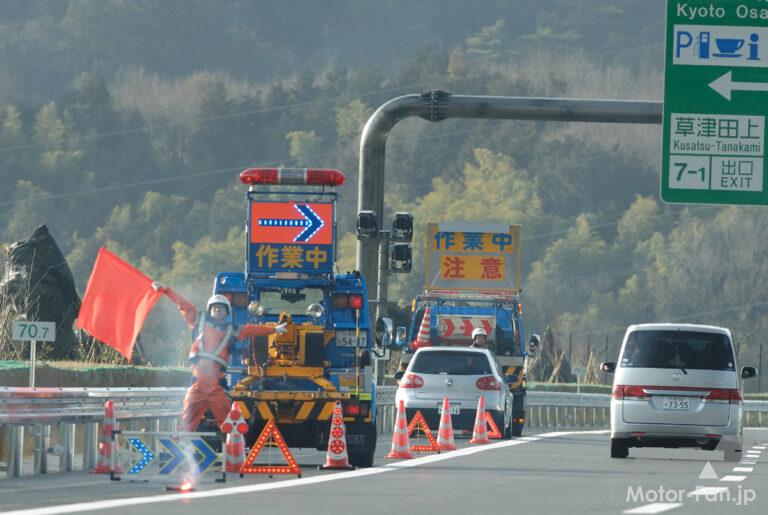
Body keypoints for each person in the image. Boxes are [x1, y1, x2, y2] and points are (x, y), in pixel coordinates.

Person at [151, 282, 287, 431]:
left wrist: (274, 329)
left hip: (215, 386)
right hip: (198, 383)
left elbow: (252, 330)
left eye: (221, 308)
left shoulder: (233, 330)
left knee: (229, 424)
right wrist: (166, 290)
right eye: (215, 308)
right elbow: (182, 304)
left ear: (226, 312)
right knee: (185, 422)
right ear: (210, 310)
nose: (217, 310)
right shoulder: (198, 319)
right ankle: (179, 448)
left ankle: (234, 449)